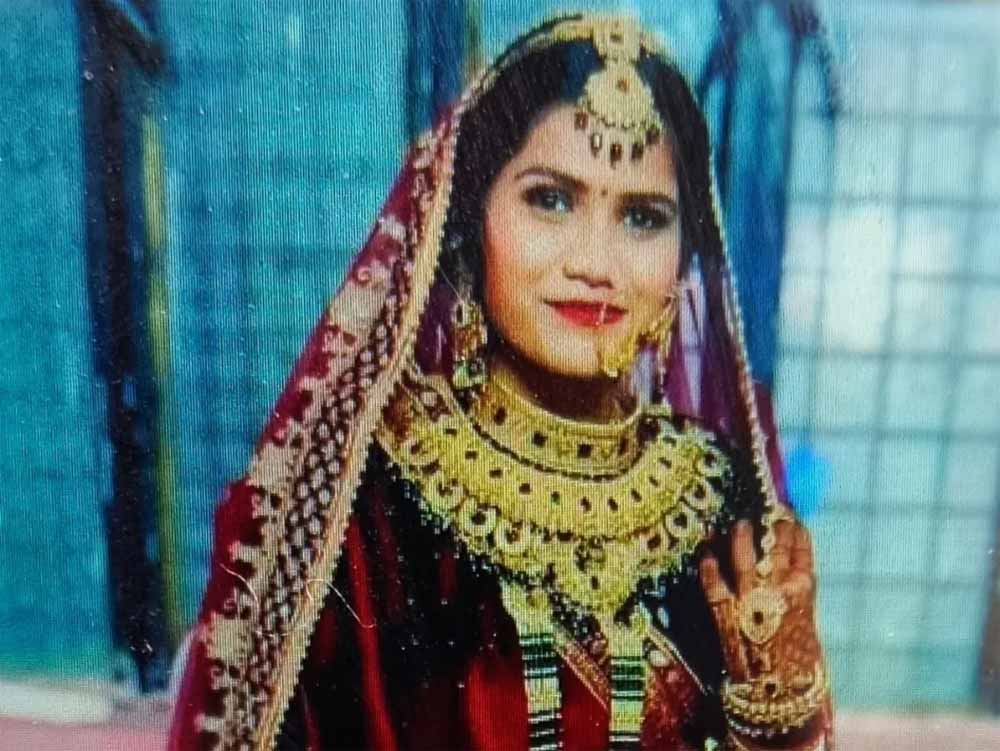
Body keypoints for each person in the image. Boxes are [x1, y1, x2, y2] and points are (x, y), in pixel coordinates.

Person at [168, 14, 833, 751]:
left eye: (643, 217)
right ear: (467, 221)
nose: (596, 262)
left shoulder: (719, 496)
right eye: (551, 199)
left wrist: (779, 712)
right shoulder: (358, 500)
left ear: (684, 257)